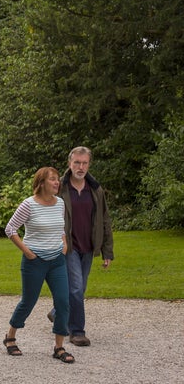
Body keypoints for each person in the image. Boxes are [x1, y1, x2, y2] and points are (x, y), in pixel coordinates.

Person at [3, 167, 74, 364]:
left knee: (63, 302)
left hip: (57, 261)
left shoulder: (59, 203)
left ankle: (59, 347)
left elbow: (60, 227)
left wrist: (64, 243)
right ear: (41, 183)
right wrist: (27, 251)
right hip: (35, 262)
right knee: (28, 301)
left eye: (57, 180)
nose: (57, 183)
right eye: (52, 180)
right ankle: (10, 337)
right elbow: (10, 229)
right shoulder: (29, 205)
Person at [48, 146, 114, 347]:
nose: (81, 166)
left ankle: (57, 312)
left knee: (79, 288)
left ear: (89, 165)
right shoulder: (60, 187)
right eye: (77, 162)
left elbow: (105, 220)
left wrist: (107, 250)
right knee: (76, 288)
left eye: (84, 163)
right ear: (70, 163)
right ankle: (77, 331)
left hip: (88, 246)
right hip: (67, 246)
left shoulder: (95, 189)